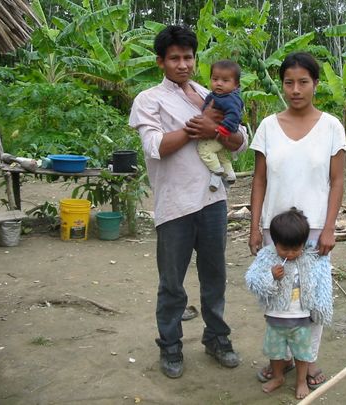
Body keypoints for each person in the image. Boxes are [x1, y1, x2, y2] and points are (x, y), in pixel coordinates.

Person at [128, 25, 247, 379]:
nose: (183, 64)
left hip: (212, 200)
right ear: (160, 61)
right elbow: (156, 147)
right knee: (172, 283)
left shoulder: (210, 92)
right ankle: (170, 345)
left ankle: (217, 338)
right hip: (175, 204)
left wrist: (218, 131)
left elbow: (240, 141)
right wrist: (202, 126)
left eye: (189, 57)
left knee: (215, 276)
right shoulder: (149, 100)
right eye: (175, 58)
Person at [248, 52, 346, 389]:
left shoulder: (332, 127)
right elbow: (259, 180)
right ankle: (281, 357)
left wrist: (330, 227)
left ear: (315, 84)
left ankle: (308, 357)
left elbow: (337, 181)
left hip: (315, 227)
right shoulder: (267, 127)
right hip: (275, 229)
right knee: (275, 291)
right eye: (289, 82)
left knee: (312, 296)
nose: (295, 89)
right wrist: (254, 227)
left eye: (303, 82)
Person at [246, 208, 333, 399]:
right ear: (275, 243)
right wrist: (270, 276)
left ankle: (301, 381)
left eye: (296, 249)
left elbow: (322, 283)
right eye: (285, 249)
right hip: (275, 318)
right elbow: (252, 280)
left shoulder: (310, 258)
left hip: (301, 319)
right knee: (275, 352)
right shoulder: (267, 257)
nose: (291, 254)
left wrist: (319, 308)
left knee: (303, 353)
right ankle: (278, 377)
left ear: (304, 243)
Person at [199, 60, 244, 191]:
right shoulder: (218, 95)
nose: (219, 83)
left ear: (236, 85)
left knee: (204, 150)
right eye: (215, 79)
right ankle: (229, 174)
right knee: (221, 154)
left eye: (225, 81)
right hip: (222, 134)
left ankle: (216, 172)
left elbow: (234, 115)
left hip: (222, 133)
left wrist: (224, 129)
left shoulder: (229, 99)